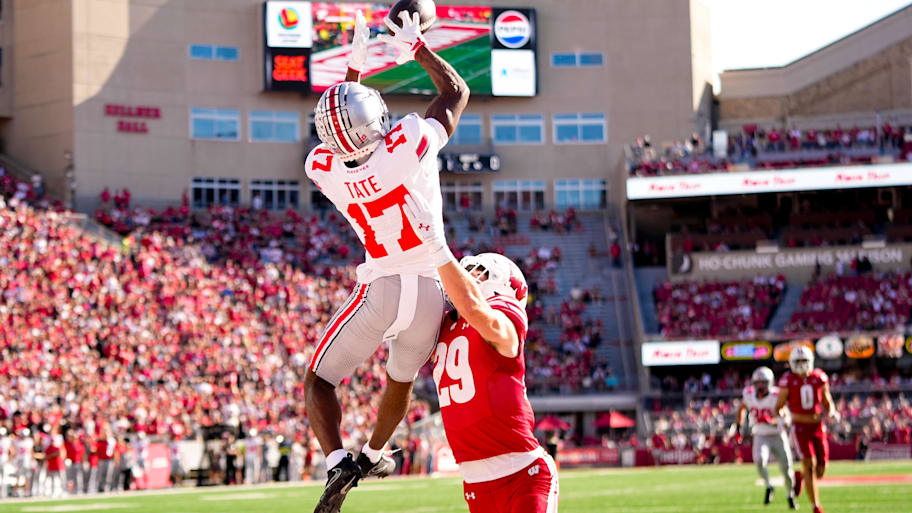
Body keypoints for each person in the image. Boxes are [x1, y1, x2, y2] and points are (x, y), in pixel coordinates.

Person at [304, 10, 469, 513]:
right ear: (378, 119)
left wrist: (351, 72)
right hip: (430, 286)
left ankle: (338, 462)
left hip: (382, 286)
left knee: (319, 382)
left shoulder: (324, 169)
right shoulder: (408, 141)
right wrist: (417, 48)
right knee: (401, 380)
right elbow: (456, 93)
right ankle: (376, 452)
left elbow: (339, 139)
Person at [401, 193, 560, 512]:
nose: (466, 275)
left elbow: (477, 311)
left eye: (477, 271)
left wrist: (435, 242)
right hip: (475, 483)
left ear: (499, 282)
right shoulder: (446, 323)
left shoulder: (502, 318)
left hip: (522, 474)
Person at [775, 346, 838, 513]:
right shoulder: (787, 380)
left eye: (804, 361)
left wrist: (831, 411)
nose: (802, 365)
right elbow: (779, 406)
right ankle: (815, 506)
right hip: (800, 427)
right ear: (792, 363)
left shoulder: (819, 377)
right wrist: (784, 417)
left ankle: (800, 476)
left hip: (817, 426)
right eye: (798, 361)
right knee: (809, 464)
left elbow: (827, 400)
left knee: (821, 469)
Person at [731, 367, 797, 509]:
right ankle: (769, 486)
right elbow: (742, 408)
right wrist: (738, 427)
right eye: (758, 382)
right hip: (760, 434)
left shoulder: (776, 395)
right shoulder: (749, 395)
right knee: (759, 460)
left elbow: (786, 417)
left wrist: (774, 421)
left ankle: (790, 495)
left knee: (787, 469)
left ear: (770, 383)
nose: (760, 386)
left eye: (763, 382)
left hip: (777, 435)